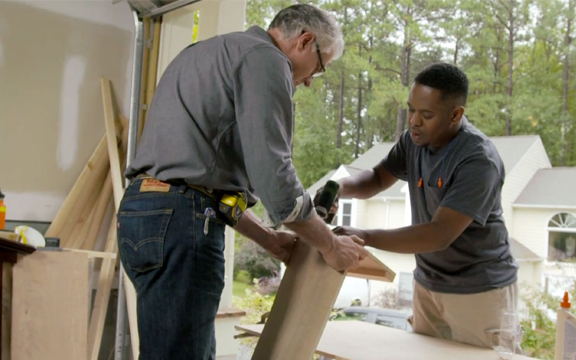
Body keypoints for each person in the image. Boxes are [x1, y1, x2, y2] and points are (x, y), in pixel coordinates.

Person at [117, 4, 368, 360]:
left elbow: (203, 184)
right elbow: (276, 182)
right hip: (180, 224)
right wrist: (330, 245)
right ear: (305, 41)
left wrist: (270, 240)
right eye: (321, 66)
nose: (311, 79)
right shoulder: (266, 59)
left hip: (143, 215)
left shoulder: (205, 52)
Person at [331, 62, 520, 350]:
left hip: (479, 291)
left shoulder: (478, 160)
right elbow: (378, 178)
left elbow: (439, 234)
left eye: (427, 114)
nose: (414, 121)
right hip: (428, 285)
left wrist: (364, 236)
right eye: (411, 110)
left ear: (456, 114)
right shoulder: (414, 141)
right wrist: (340, 187)